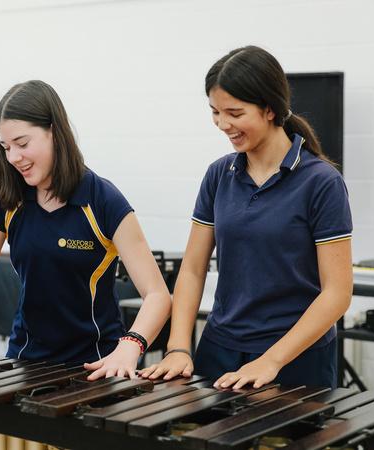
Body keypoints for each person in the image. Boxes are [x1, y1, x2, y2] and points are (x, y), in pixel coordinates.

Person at [0, 80, 171, 381]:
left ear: (54, 132)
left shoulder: (103, 201)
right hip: (25, 361)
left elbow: (157, 294)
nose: (13, 157)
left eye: (22, 144)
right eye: (6, 147)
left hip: (96, 366)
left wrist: (130, 345)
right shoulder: (6, 198)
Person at [140, 46, 352, 390]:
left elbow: (337, 293)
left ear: (270, 109)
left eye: (234, 113)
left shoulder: (322, 182)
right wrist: (178, 347)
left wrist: (272, 360)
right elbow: (192, 269)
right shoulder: (218, 175)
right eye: (215, 112)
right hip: (220, 350)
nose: (223, 124)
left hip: (295, 359)